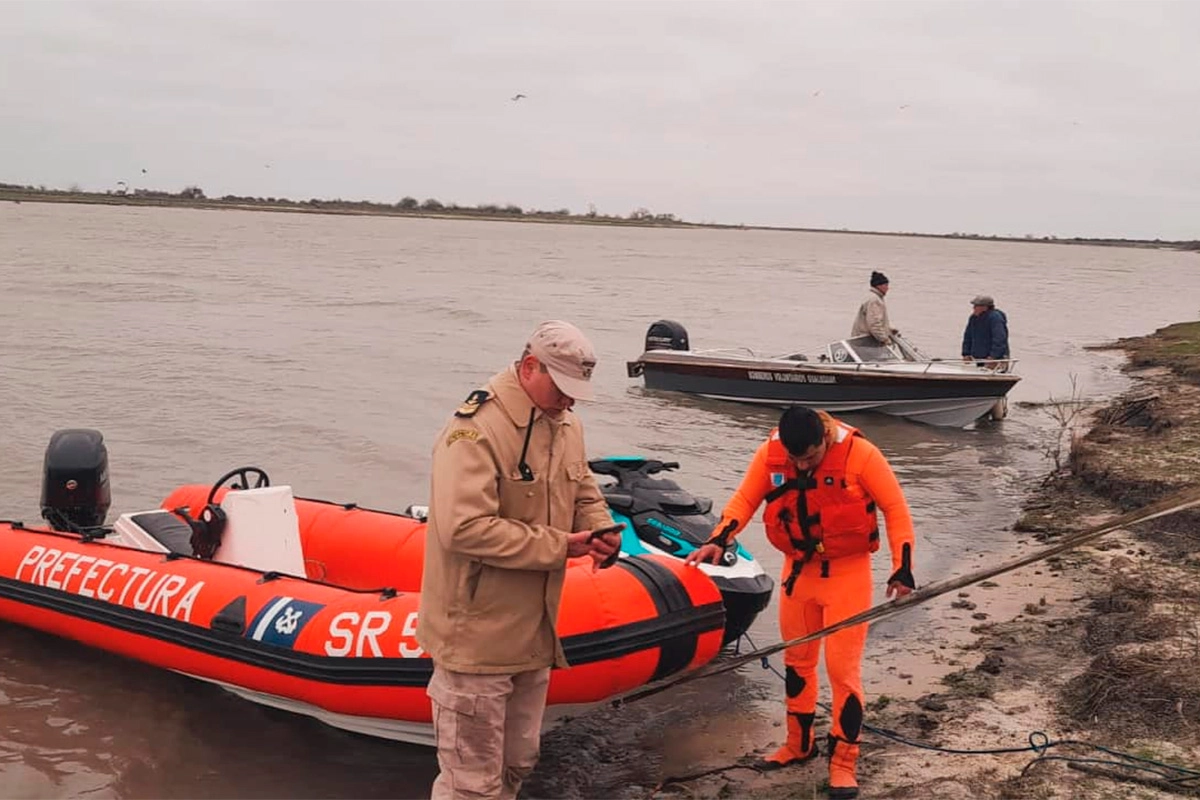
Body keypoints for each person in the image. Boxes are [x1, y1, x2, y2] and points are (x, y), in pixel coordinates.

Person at [416, 320, 623, 800]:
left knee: (516, 765)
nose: (569, 401)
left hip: (533, 633)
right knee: (471, 784)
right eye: (562, 388)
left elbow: (583, 489)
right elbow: (463, 529)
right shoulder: (474, 431)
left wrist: (602, 529)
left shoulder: (564, 422)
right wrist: (560, 546)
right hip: (476, 640)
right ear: (530, 367)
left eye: (576, 392)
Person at [686, 406, 916, 800]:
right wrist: (718, 537)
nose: (803, 465)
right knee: (797, 663)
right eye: (796, 460)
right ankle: (798, 744)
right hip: (799, 573)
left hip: (847, 574)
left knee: (842, 671)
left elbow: (896, 510)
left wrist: (902, 568)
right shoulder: (772, 452)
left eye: (809, 457)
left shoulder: (861, 456)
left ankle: (843, 763)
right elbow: (745, 499)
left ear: (824, 439)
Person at [961, 294, 1010, 370]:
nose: (973, 308)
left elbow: (1000, 339)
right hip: (980, 358)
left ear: (985, 307)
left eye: (976, 306)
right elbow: (968, 336)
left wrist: (993, 357)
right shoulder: (973, 318)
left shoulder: (995, 318)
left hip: (996, 359)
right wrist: (966, 353)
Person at [850, 271, 899, 346]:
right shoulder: (874, 301)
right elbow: (874, 324)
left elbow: (878, 321)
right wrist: (885, 339)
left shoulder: (873, 297)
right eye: (885, 285)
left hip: (862, 341)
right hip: (865, 342)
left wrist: (889, 329)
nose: (887, 288)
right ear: (878, 286)